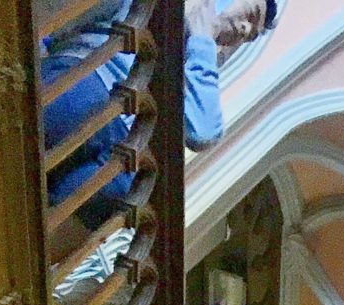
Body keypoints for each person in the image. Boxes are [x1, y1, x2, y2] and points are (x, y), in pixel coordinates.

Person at [41, 0, 278, 230]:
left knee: (130, 186)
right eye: (251, 14)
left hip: (115, 140)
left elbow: (204, 132)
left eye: (250, 37)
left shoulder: (197, 59)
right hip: (89, 82)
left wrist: (203, 39)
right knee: (84, 110)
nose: (245, 30)